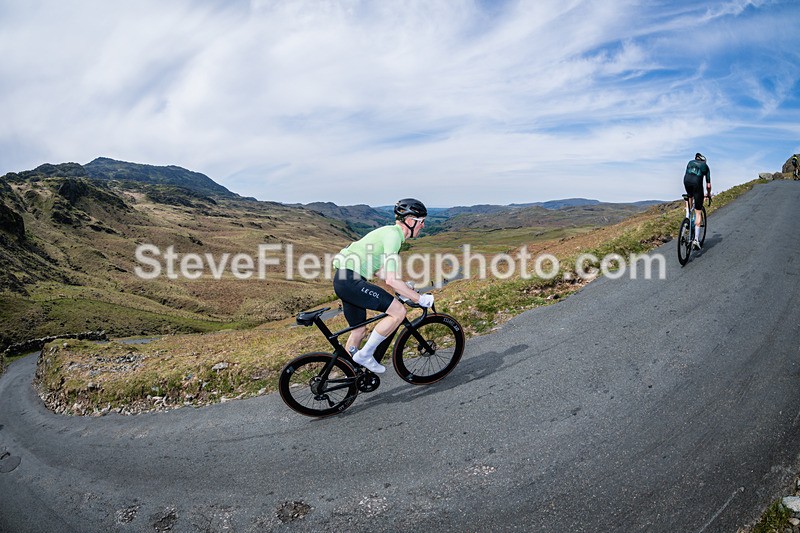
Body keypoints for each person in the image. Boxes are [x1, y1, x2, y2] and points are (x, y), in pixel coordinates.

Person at [331, 198, 433, 373]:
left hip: (343, 280)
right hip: (351, 281)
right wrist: (420, 298)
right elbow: (391, 280)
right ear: (410, 221)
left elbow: (380, 272)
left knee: (358, 331)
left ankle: (350, 376)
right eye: (421, 221)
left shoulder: (389, 233)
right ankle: (365, 355)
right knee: (399, 312)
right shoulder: (394, 237)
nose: (423, 226)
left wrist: (405, 291)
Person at [683, 153, 712, 249]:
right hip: (697, 185)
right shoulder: (706, 167)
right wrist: (708, 194)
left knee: (689, 196)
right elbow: (708, 185)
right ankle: (696, 240)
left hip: (686, 181)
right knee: (698, 212)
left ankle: (687, 216)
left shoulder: (690, 162)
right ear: (703, 160)